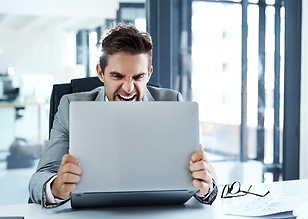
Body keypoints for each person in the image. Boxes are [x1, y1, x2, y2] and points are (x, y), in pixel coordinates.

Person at [29, 23, 217, 208]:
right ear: (101, 73)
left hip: (158, 213)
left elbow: (206, 172)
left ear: (149, 74)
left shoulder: (172, 102)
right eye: (118, 76)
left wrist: (205, 184)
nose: (128, 88)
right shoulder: (71, 106)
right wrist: (55, 188)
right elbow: (40, 177)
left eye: (138, 77)